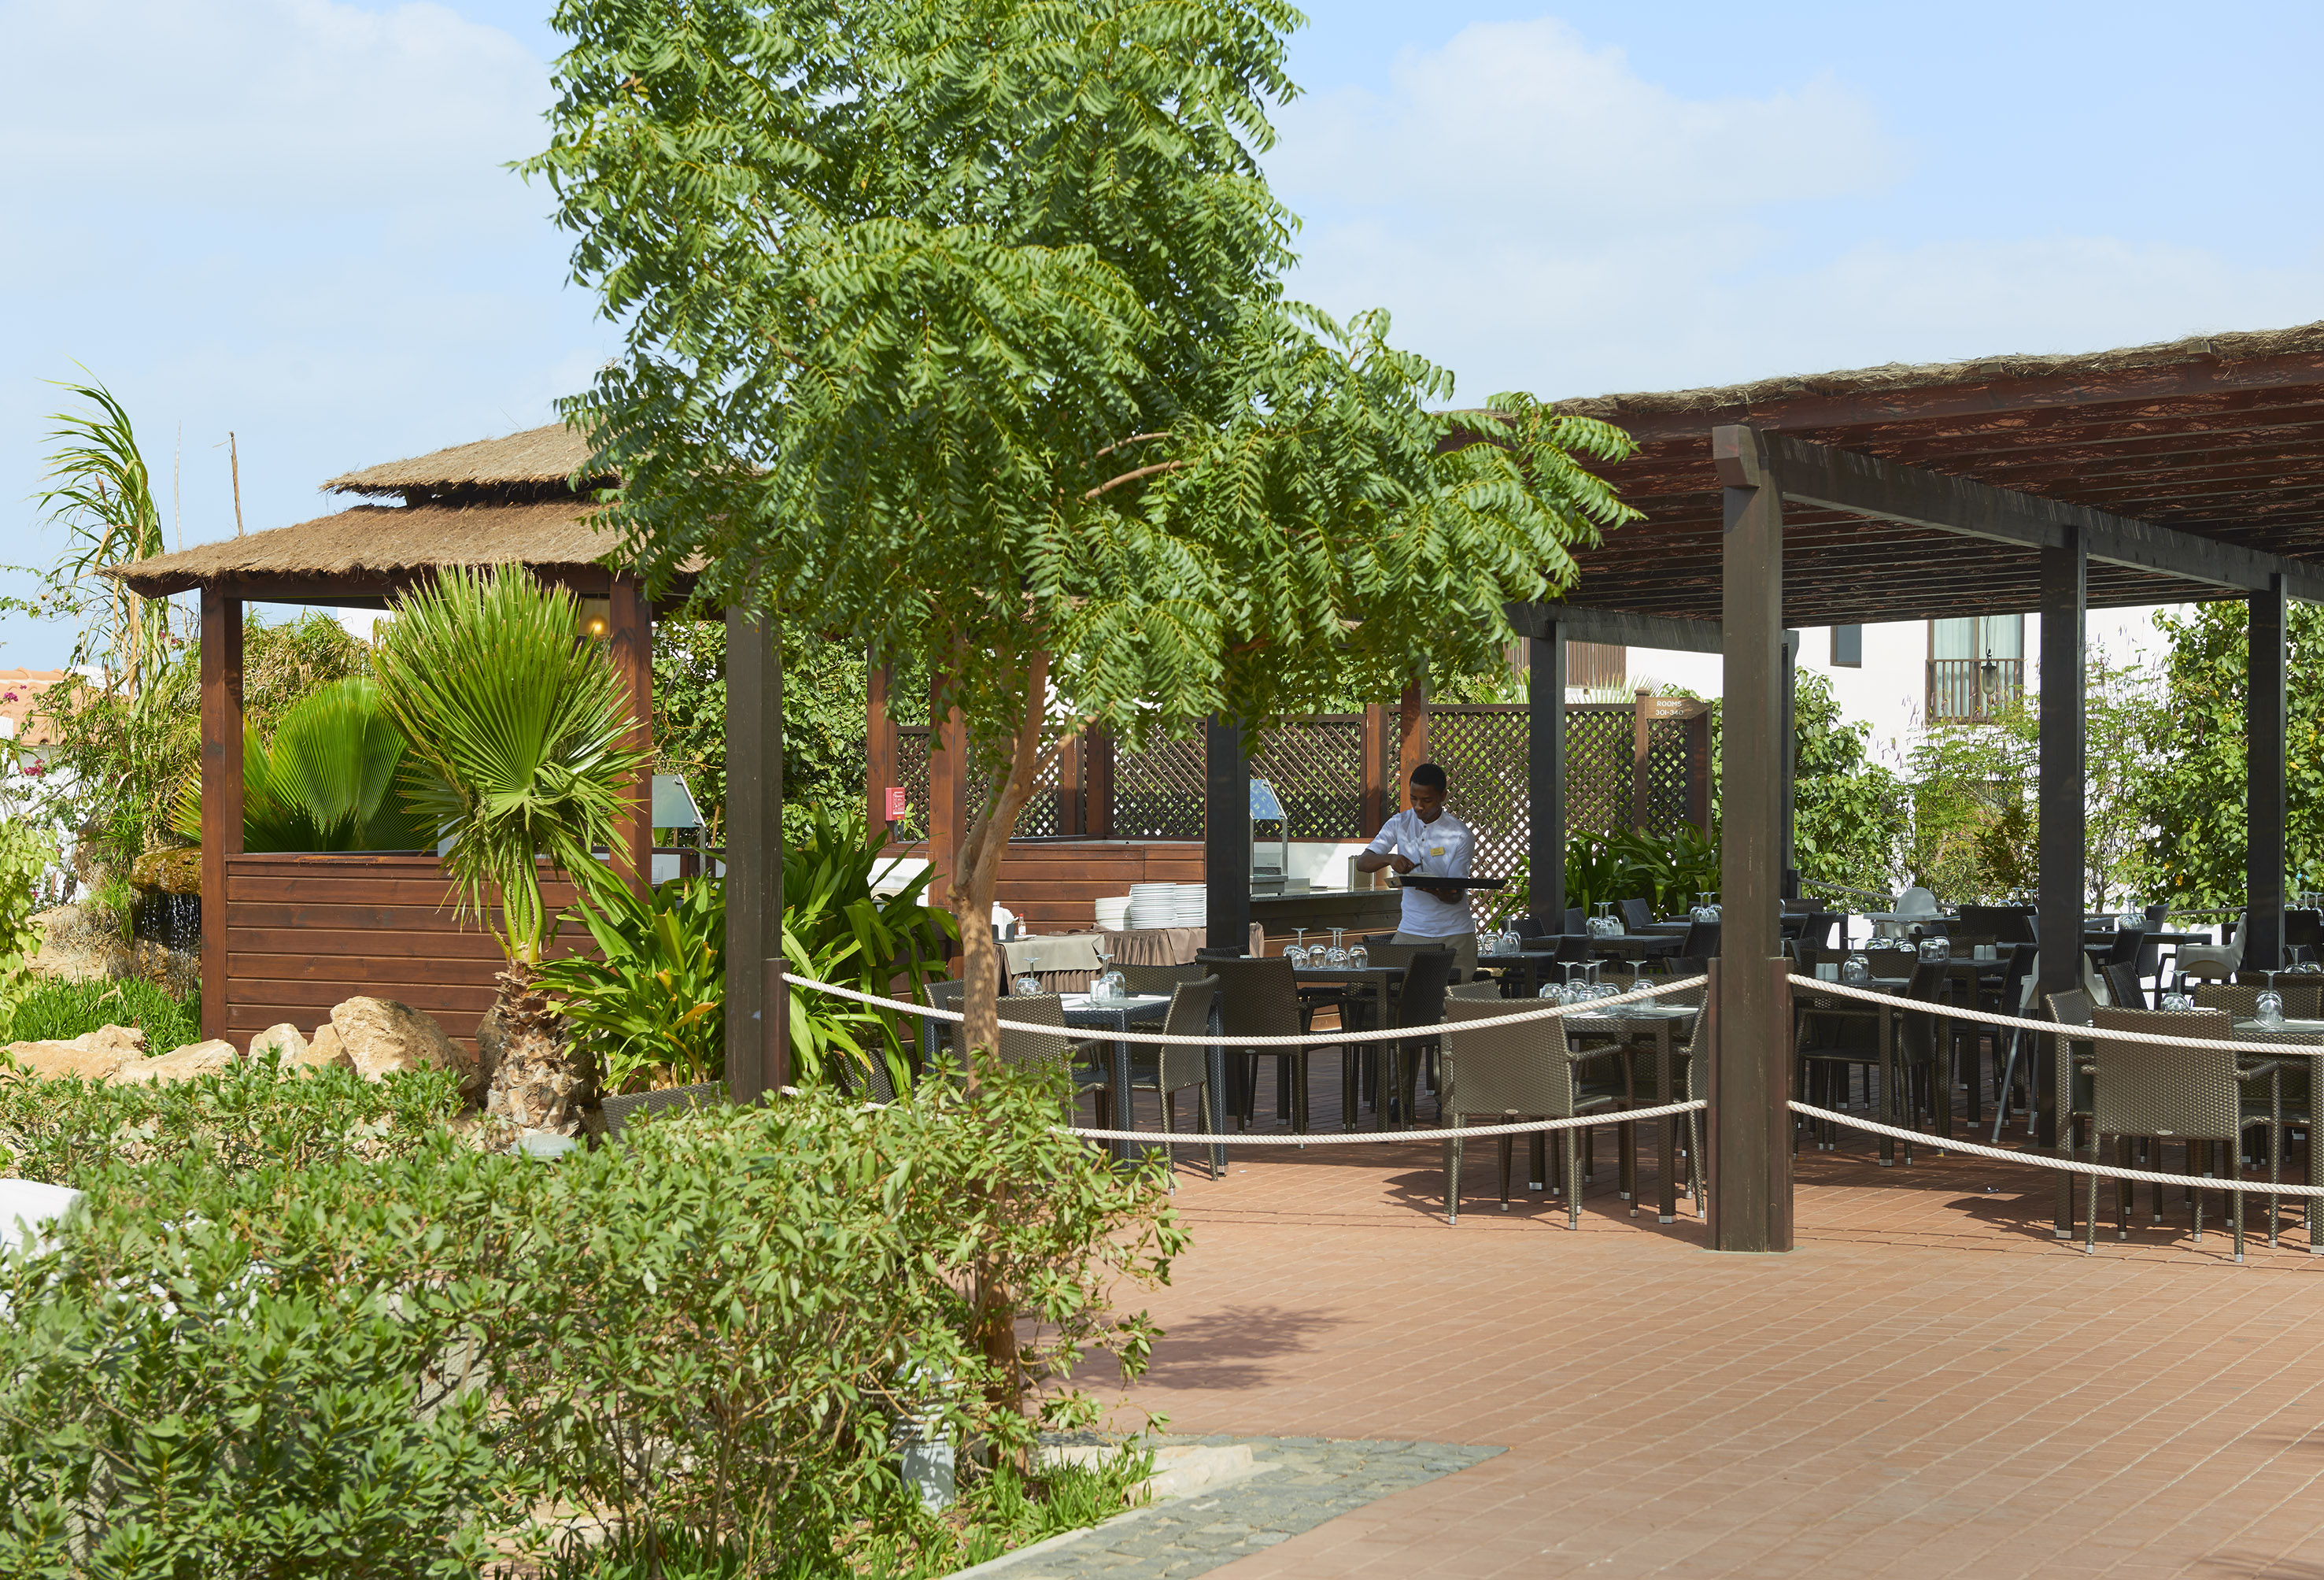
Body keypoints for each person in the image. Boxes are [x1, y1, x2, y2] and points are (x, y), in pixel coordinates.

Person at [1355, 762, 1478, 977]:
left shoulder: (1460, 835)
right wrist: (1390, 858)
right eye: (1414, 798)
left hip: (1455, 934)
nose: (1419, 806)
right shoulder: (1399, 823)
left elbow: (1456, 896)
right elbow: (1363, 863)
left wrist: (1433, 888)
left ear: (1443, 796)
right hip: (1411, 931)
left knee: (1456, 1004)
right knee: (1403, 999)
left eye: (1427, 800)